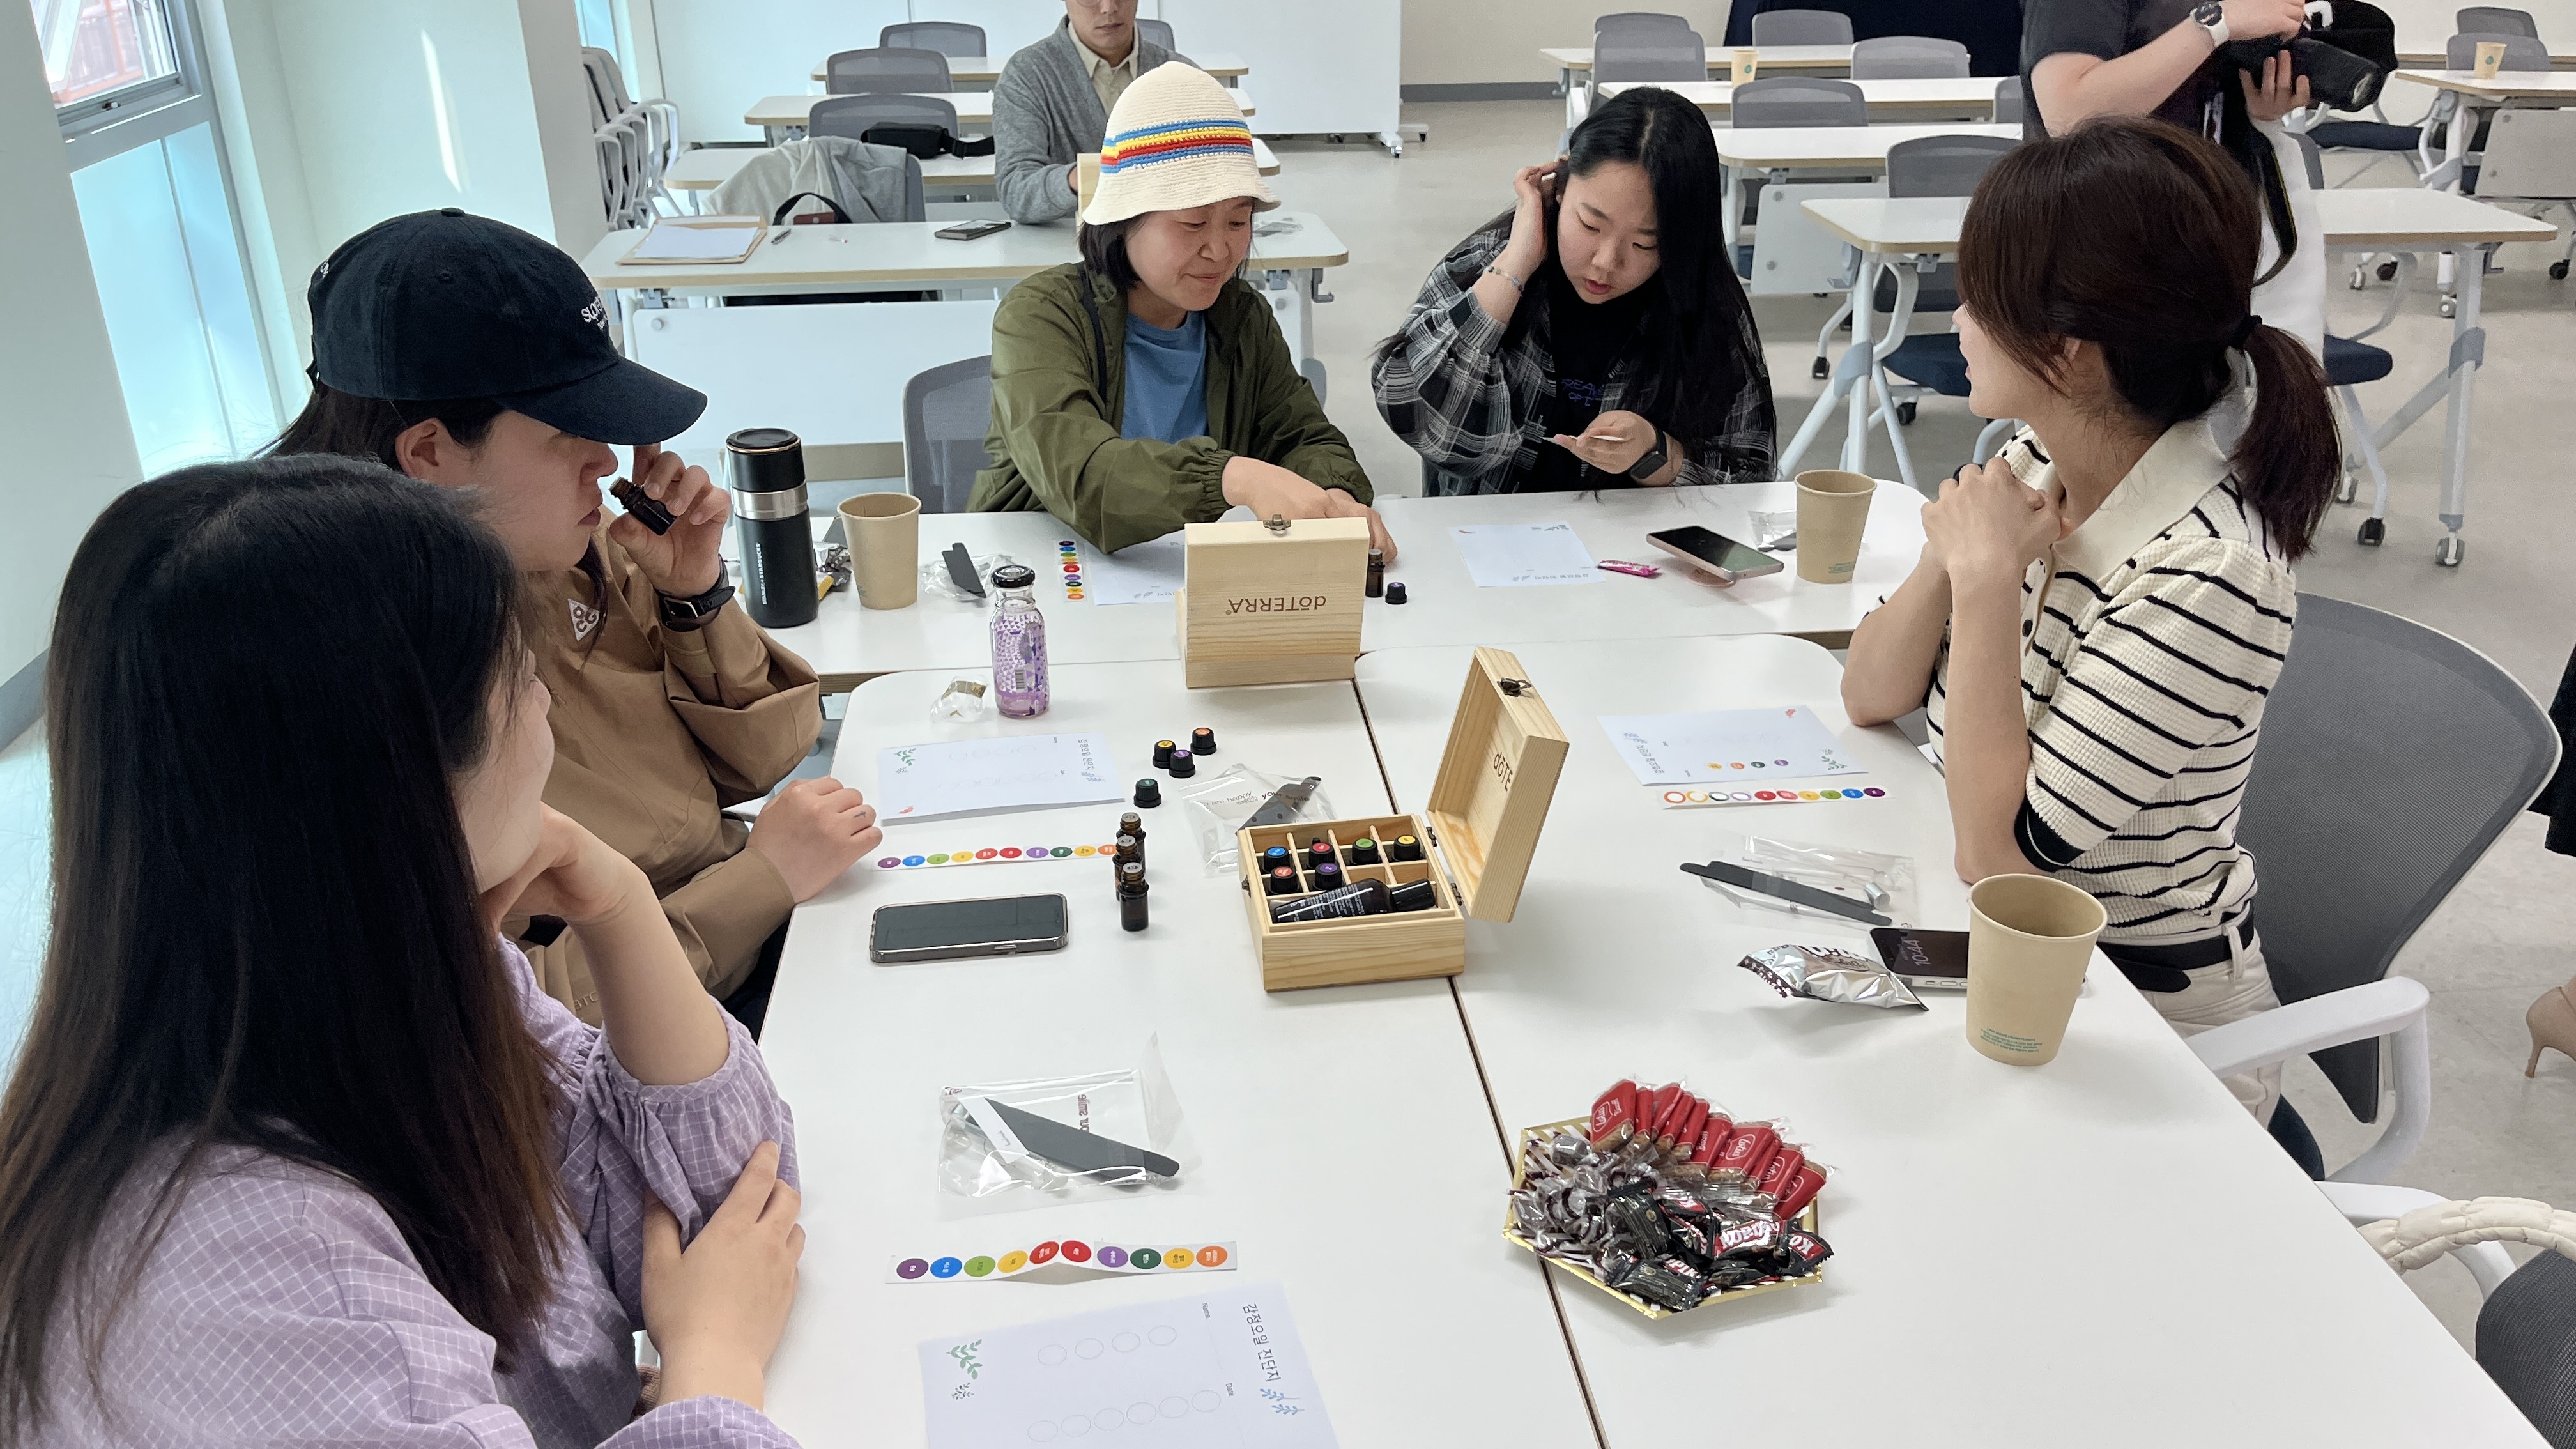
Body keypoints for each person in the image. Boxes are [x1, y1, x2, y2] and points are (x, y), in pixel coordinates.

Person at [0, 456, 804, 1443]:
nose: (545, 709)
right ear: (407, 777)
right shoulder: (260, 1274)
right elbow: (722, 1263)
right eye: (521, 679)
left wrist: (620, 904)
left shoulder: (383, 979)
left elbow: (731, 1202)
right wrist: (712, 1362)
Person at [1840, 119, 2339, 1123]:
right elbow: (1870, 693)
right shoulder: (2036, 457)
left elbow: (2002, 865)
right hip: (2000, 960)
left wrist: (1986, 584)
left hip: (2143, 1020)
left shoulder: (2210, 575)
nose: (1961, 321)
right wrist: (1954, 553)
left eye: (1981, 300)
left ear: (2068, 351)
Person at [272, 210, 879, 1032]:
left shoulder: (569, 546)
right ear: (430, 454)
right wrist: (761, 881)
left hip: (747, 925)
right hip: (661, 1019)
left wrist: (695, 596)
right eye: (569, 430)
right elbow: (516, 1018)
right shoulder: (353, 678)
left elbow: (765, 759)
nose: (609, 459)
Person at [970, 64, 1393, 558]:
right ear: (1123, 220)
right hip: (1039, 569)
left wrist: (1334, 499)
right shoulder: (1041, 316)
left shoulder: (1241, 317)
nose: (1220, 250)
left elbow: (1303, 435)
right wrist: (1233, 477)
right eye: (1193, 224)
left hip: (1187, 573)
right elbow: (1083, 477)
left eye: (1238, 221)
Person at [1374, 86, 1775, 496]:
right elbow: (1417, 417)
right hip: (1487, 529)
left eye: (1644, 244)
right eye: (1590, 225)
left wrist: (1657, 453)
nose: (1606, 261)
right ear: (1561, 186)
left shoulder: (1704, 306)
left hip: (1633, 537)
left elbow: (1750, 480)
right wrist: (1515, 265)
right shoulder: (1489, 260)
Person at [2022, 0, 2326, 350]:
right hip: (2104, 248)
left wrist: (2261, 105)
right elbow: (2068, 112)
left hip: (2206, 240)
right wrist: (2215, 24)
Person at [994, 0, 1191, 225]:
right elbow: (1016, 191)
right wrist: (1081, 178)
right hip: (1065, 238)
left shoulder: (1181, 74)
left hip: (1166, 238)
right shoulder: (1027, 74)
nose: (1109, 7)